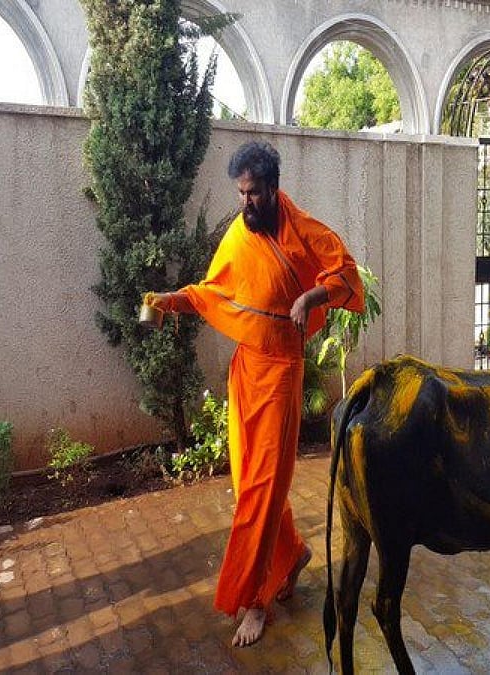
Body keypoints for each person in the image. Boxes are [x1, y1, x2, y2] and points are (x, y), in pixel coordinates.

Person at [146, 141, 365, 647]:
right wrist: (170, 301)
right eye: (241, 193)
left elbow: (348, 275)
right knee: (249, 483)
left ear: (273, 187)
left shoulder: (302, 229)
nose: (246, 202)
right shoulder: (239, 234)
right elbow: (212, 291)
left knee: (263, 490)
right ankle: (292, 554)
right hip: (245, 371)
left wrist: (311, 295)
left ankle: (254, 600)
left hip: (283, 372)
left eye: (255, 193)